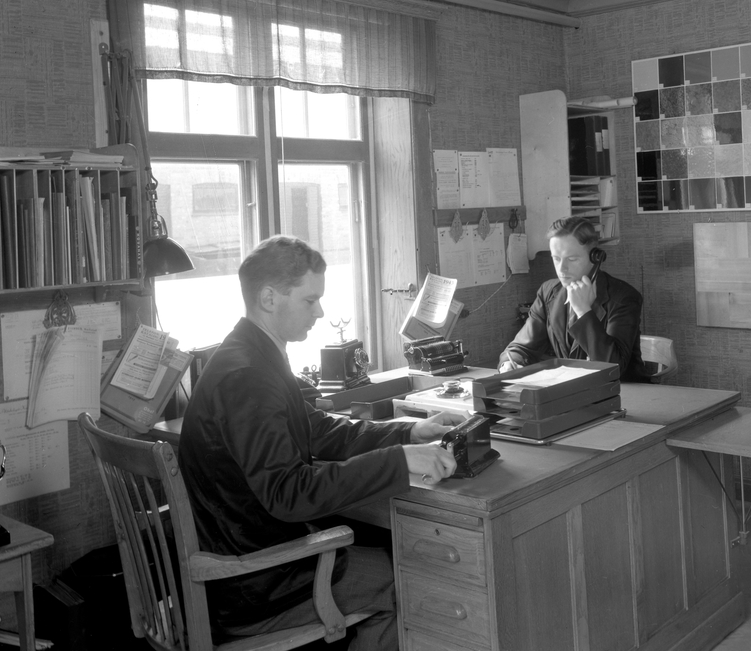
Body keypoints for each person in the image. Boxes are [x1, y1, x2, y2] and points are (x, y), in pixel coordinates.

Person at [178, 235, 458, 649]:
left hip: (250, 562)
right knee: (411, 579)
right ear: (269, 298)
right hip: (251, 585)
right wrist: (399, 461)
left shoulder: (250, 354)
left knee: (384, 548)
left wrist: (409, 432)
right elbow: (289, 494)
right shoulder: (249, 377)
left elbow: (320, 430)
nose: (321, 312)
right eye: (310, 300)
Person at [499, 216, 647, 381]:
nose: (562, 269)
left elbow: (613, 367)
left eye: (572, 259)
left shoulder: (624, 297)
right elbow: (521, 347)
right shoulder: (548, 292)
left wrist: (583, 311)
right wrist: (510, 363)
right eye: (556, 259)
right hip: (573, 389)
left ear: (595, 257)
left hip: (623, 391)